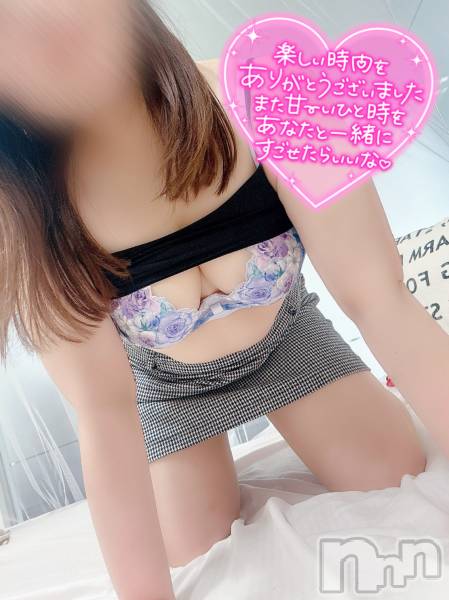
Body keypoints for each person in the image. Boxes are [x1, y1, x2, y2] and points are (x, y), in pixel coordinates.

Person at [2, 2, 449, 599]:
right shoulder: (25, 217)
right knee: (195, 547)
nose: (40, 25)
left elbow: (380, 297)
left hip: (289, 344)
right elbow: (103, 413)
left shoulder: (269, 90)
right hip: (166, 390)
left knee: (394, 471)